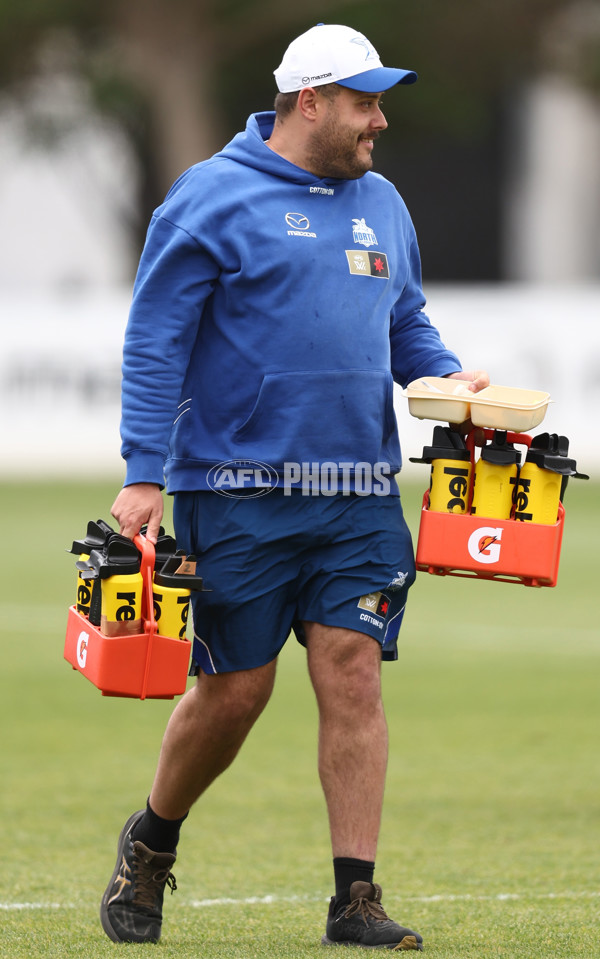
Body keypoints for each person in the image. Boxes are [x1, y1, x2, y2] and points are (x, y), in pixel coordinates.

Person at [100, 22, 489, 951]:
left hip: (358, 491)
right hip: (234, 490)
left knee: (352, 673)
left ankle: (355, 897)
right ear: (309, 101)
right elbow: (154, 342)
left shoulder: (383, 202)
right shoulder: (208, 197)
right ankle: (153, 837)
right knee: (235, 691)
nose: (380, 121)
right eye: (364, 102)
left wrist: (447, 380)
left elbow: (406, 323)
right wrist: (143, 474)